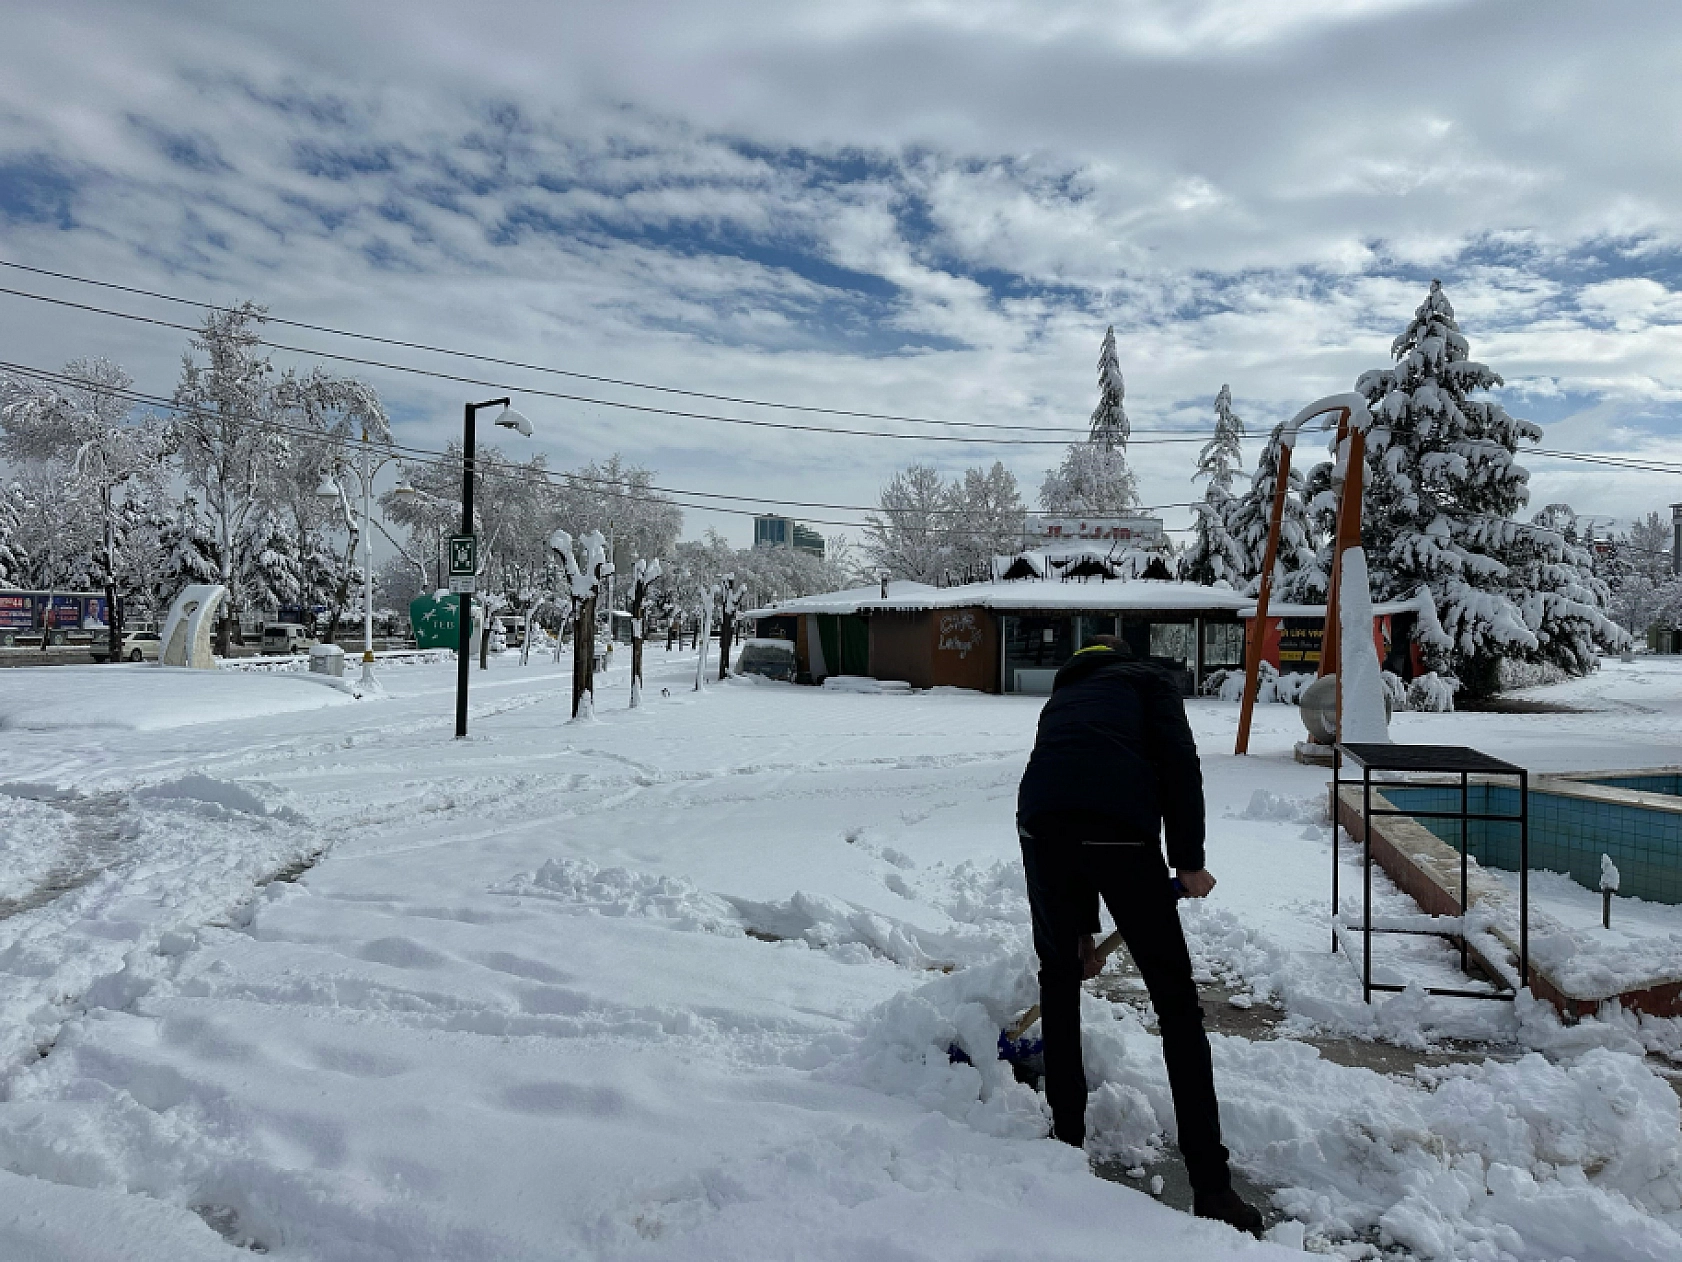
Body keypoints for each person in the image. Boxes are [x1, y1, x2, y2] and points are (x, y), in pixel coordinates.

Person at [1016, 634, 1263, 1236]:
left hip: (1040, 828)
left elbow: (1069, 781)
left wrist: (1077, 932)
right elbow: (1179, 760)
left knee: (1059, 980)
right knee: (1176, 1007)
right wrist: (1188, 858)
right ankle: (1210, 1186)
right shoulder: (1149, 680)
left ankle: (1067, 1141)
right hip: (1120, 834)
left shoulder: (1061, 699)